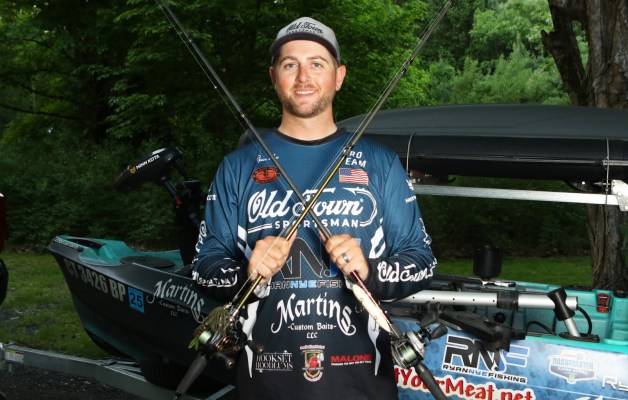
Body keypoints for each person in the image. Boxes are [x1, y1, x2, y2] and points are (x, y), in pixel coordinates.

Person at [192, 16, 436, 400]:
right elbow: (203, 267)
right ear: (274, 77)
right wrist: (246, 272)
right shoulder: (237, 167)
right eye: (290, 64)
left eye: (317, 64)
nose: (303, 77)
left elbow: (422, 261)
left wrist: (370, 271)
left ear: (339, 76)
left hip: (363, 388)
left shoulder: (381, 163)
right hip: (266, 387)